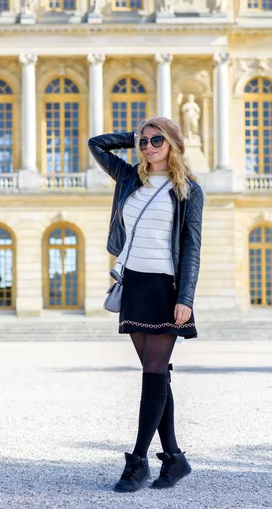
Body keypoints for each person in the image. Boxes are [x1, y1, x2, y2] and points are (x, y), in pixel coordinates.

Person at [88, 116, 204, 493]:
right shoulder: (129, 179)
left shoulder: (188, 190)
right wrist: (132, 136)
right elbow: (96, 144)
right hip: (134, 284)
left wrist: (185, 298)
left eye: (158, 140)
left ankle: (137, 462)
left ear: (173, 143)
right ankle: (174, 458)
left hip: (165, 288)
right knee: (157, 375)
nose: (149, 147)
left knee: (153, 374)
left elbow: (191, 248)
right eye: (145, 142)